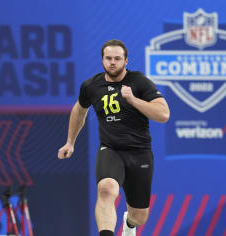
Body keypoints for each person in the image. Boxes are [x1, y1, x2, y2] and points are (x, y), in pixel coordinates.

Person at [57, 39, 170, 236]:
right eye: (108, 58)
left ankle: (129, 223)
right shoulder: (91, 86)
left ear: (126, 61)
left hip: (139, 152)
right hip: (111, 149)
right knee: (106, 189)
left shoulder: (139, 82)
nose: (112, 62)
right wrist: (70, 142)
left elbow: (163, 114)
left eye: (117, 58)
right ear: (102, 60)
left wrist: (134, 100)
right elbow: (79, 111)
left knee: (139, 216)